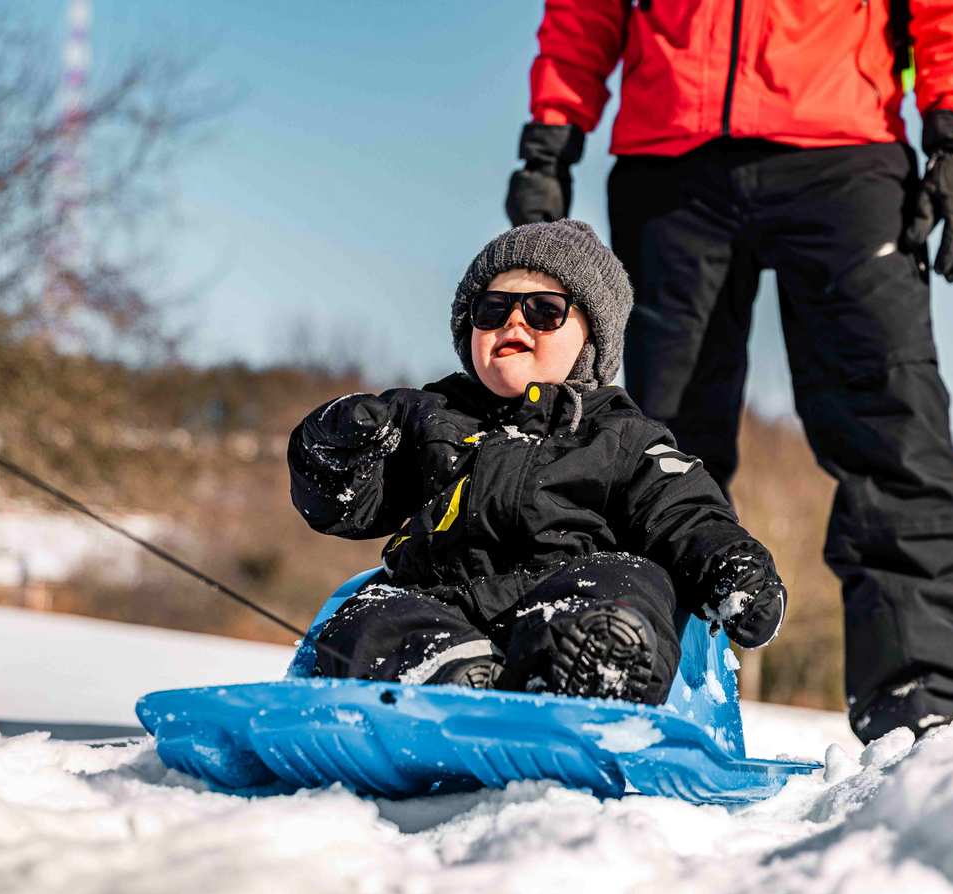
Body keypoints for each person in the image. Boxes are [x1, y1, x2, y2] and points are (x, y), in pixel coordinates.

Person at [504, 0, 953, 742]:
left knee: (892, 430)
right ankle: (635, 680)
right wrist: (550, 141)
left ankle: (921, 702)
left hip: (844, 149)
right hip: (671, 164)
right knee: (648, 450)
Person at [287, 220, 785, 702]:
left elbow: (682, 510)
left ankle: (592, 669)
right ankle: (451, 678)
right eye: (493, 308)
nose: (514, 321)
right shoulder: (426, 416)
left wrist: (733, 568)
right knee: (370, 613)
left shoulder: (622, 436)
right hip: (440, 600)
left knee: (633, 577)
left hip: (567, 598)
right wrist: (334, 447)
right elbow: (348, 504)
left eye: (545, 311)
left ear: (590, 342)